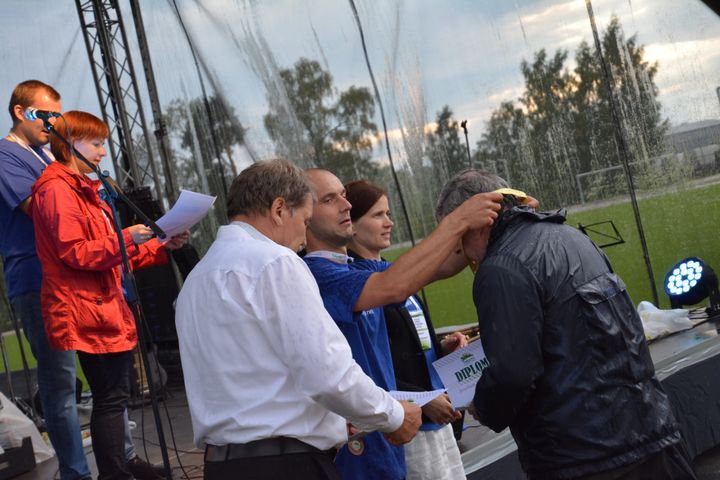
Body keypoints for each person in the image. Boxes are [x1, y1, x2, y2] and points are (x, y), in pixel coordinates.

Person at [434, 169, 697, 480]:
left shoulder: (500, 267)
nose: (462, 253)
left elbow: (513, 373)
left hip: (582, 455)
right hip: (648, 428)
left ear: (476, 221)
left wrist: (483, 405)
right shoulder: (572, 236)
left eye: (457, 238)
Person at [174, 159, 421, 480]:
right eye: (304, 221)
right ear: (279, 209)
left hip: (223, 465)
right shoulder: (275, 261)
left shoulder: (196, 279)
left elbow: (257, 378)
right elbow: (327, 373)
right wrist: (394, 415)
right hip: (286, 464)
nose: (304, 239)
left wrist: (332, 419)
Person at [0, 80, 163, 480]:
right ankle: (76, 471)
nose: (52, 123)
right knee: (61, 382)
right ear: (20, 112)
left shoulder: (50, 159)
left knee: (109, 384)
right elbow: (46, 214)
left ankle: (122, 457)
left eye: (57, 115)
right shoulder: (10, 157)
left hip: (85, 278)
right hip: (40, 280)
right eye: (45, 114)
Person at [303, 168, 502, 480]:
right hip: (362, 450)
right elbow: (395, 286)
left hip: (387, 444)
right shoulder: (317, 276)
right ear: (302, 213)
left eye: (344, 195)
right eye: (329, 199)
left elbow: (439, 266)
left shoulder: (358, 271)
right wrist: (458, 221)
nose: (346, 205)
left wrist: (495, 222)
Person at [31, 110, 188, 480]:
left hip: (102, 306)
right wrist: (128, 237)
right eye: (96, 143)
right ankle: (115, 474)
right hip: (84, 310)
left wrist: (158, 244)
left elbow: (111, 255)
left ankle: (119, 470)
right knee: (110, 397)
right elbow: (76, 252)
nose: (103, 151)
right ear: (71, 143)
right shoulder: (56, 190)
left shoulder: (85, 190)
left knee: (113, 396)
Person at [344, 179, 467, 480]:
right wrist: (421, 400)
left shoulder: (391, 273)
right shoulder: (359, 287)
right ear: (352, 225)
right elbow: (365, 367)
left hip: (437, 421)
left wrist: (440, 347)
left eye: (388, 213)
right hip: (406, 429)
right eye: (378, 215)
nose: (389, 222)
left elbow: (402, 345)